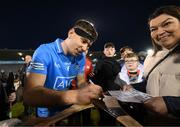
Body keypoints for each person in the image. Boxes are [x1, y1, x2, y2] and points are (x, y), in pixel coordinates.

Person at [23, 19, 103, 118]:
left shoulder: (81, 57)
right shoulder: (44, 52)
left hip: (67, 111)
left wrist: (88, 90)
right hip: (46, 115)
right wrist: (75, 96)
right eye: (83, 41)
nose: (84, 48)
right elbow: (30, 95)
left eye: (88, 45)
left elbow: (81, 82)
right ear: (71, 33)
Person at [123, 5, 180, 125]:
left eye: (167, 24)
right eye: (153, 29)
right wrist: (134, 88)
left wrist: (171, 104)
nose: (160, 32)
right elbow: (152, 81)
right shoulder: (151, 57)